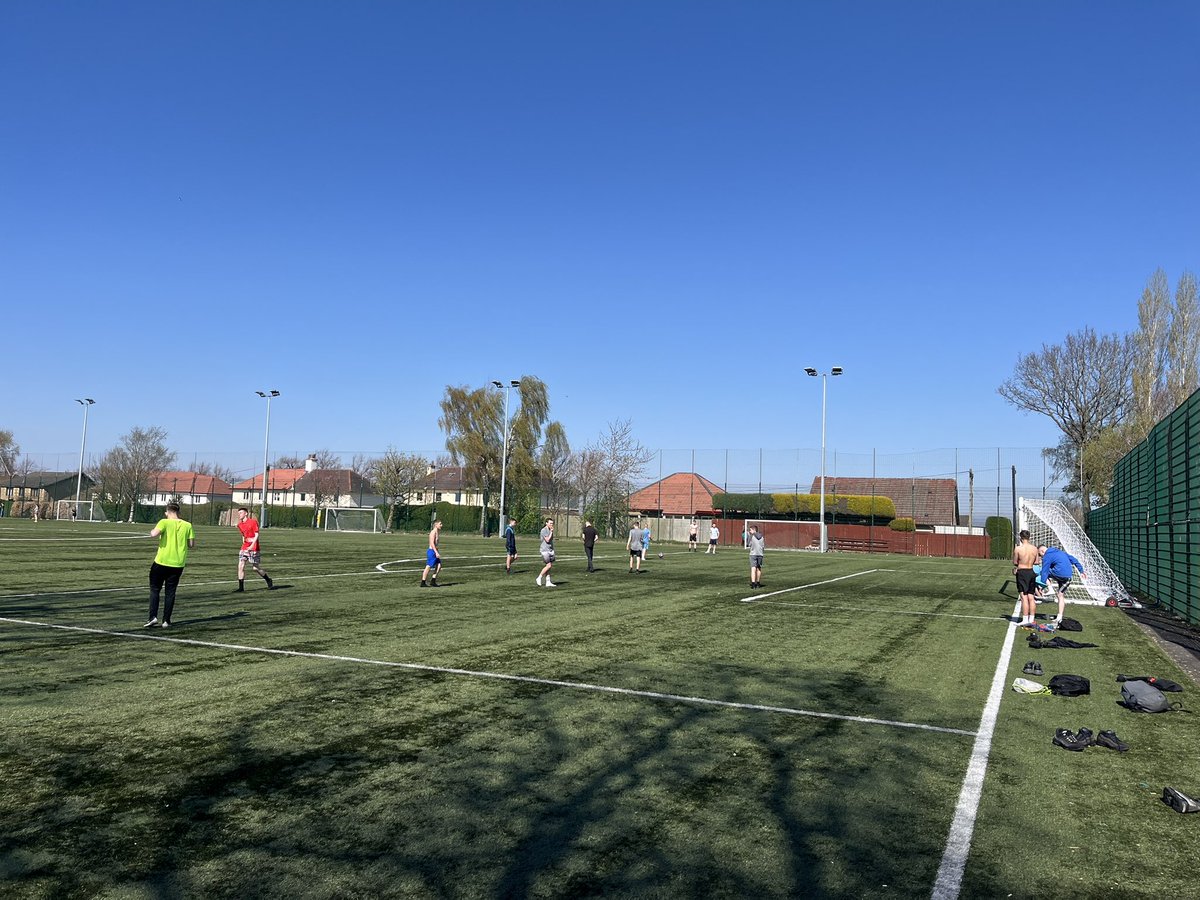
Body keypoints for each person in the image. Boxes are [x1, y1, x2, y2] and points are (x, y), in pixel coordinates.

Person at [145, 502, 195, 628]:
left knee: (155, 589)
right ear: (179, 512)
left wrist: (152, 532)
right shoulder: (187, 525)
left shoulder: (164, 522)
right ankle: (166, 620)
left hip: (162, 561)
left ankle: (153, 617)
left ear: (167, 512)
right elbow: (191, 544)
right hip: (178, 563)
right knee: (170, 592)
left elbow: (154, 534)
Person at [1039, 544, 1086, 625]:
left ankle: (1050, 589)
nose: (1041, 557)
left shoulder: (1047, 556)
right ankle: (1059, 617)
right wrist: (1081, 571)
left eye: (1040, 555)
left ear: (1042, 551)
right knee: (1060, 595)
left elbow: (1044, 570)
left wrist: (1042, 586)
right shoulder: (1061, 552)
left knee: (1042, 572)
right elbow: (1074, 560)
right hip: (1068, 577)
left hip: (1060, 574)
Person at [235, 507, 274, 592]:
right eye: (239, 513)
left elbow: (256, 535)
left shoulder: (253, 522)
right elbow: (243, 535)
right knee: (240, 566)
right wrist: (244, 545)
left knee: (255, 568)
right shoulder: (240, 525)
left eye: (241, 513)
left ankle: (268, 580)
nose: (239, 515)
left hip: (254, 548)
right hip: (245, 547)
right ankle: (241, 588)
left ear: (246, 513)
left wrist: (252, 545)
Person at [1012, 529, 1040, 628]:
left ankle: (1025, 619)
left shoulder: (1018, 549)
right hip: (1031, 572)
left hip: (1022, 573)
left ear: (1020, 537)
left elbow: (1015, 562)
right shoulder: (1035, 549)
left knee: (1024, 597)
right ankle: (1031, 619)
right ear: (1029, 537)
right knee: (1031, 597)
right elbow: (1037, 562)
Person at [420, 520, 443, 587]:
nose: (441, 525)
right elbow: (432, 543)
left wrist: (437, 551)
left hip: (435, 551)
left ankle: (433, 581)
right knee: (428, 566)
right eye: (440, 524)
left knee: (439, 566)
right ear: (436, 525)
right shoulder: (433, 532)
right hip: (432, 551)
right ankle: (423, 582)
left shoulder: (437, 532)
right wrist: (436, 552)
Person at [536, 517, 557, 587]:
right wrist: (551, 532)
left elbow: (551, 540)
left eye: (552, 523)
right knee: (549, 565)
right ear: (546, 523)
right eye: (550, 523)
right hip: (545, 550)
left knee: (549, 566)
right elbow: (547, 540)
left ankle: (548, 581)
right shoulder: (543, 530)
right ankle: (539, 577)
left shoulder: (550, 530)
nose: (551, 525)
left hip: (550, 549)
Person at [747, 523, 765, 588]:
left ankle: (753, 583)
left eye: (750, 530)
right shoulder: (762, 536)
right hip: (760, 554)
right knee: (759, 568)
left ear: (754, 530)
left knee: (753, 568)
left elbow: (749, 544)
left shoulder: (751, 536)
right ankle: (758, 582)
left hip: (753, 554)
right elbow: (763, 546)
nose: (750, 531)